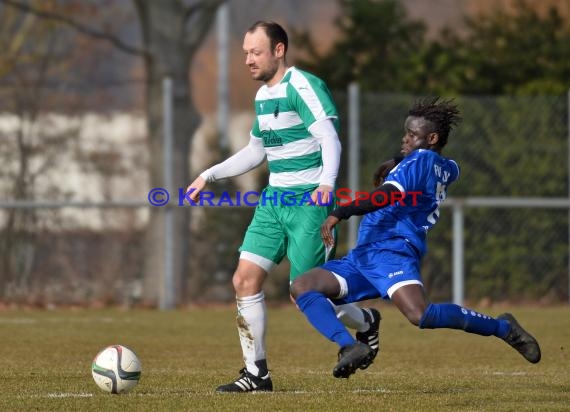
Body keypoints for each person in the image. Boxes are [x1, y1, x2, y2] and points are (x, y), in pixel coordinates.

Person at [185, 20, 381, 392]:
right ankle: (256, 374)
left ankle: (365, 321)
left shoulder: (303, 86)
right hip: (274, 202)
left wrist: (326, 184)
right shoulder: (263, 97)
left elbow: (329, 138)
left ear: (278, 50)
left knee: (307, 292)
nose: (247, 60)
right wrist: (207, 175)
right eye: (244, 52)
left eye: (255, 52)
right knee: (244, 279)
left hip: (309, 203)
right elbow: (256, 151)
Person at [290, 97, 541, 379]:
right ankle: (350, 346)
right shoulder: (446, 166)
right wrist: (398, 162)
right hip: (364, 255)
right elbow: (441, 170)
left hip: (392, 250)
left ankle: (504, 328)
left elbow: (387, 195)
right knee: (303, 286)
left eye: (412, 135)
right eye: (406, 132)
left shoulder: (420, 161)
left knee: (420, 315)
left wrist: (342, 211)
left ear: (431, 138)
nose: (405, 139)